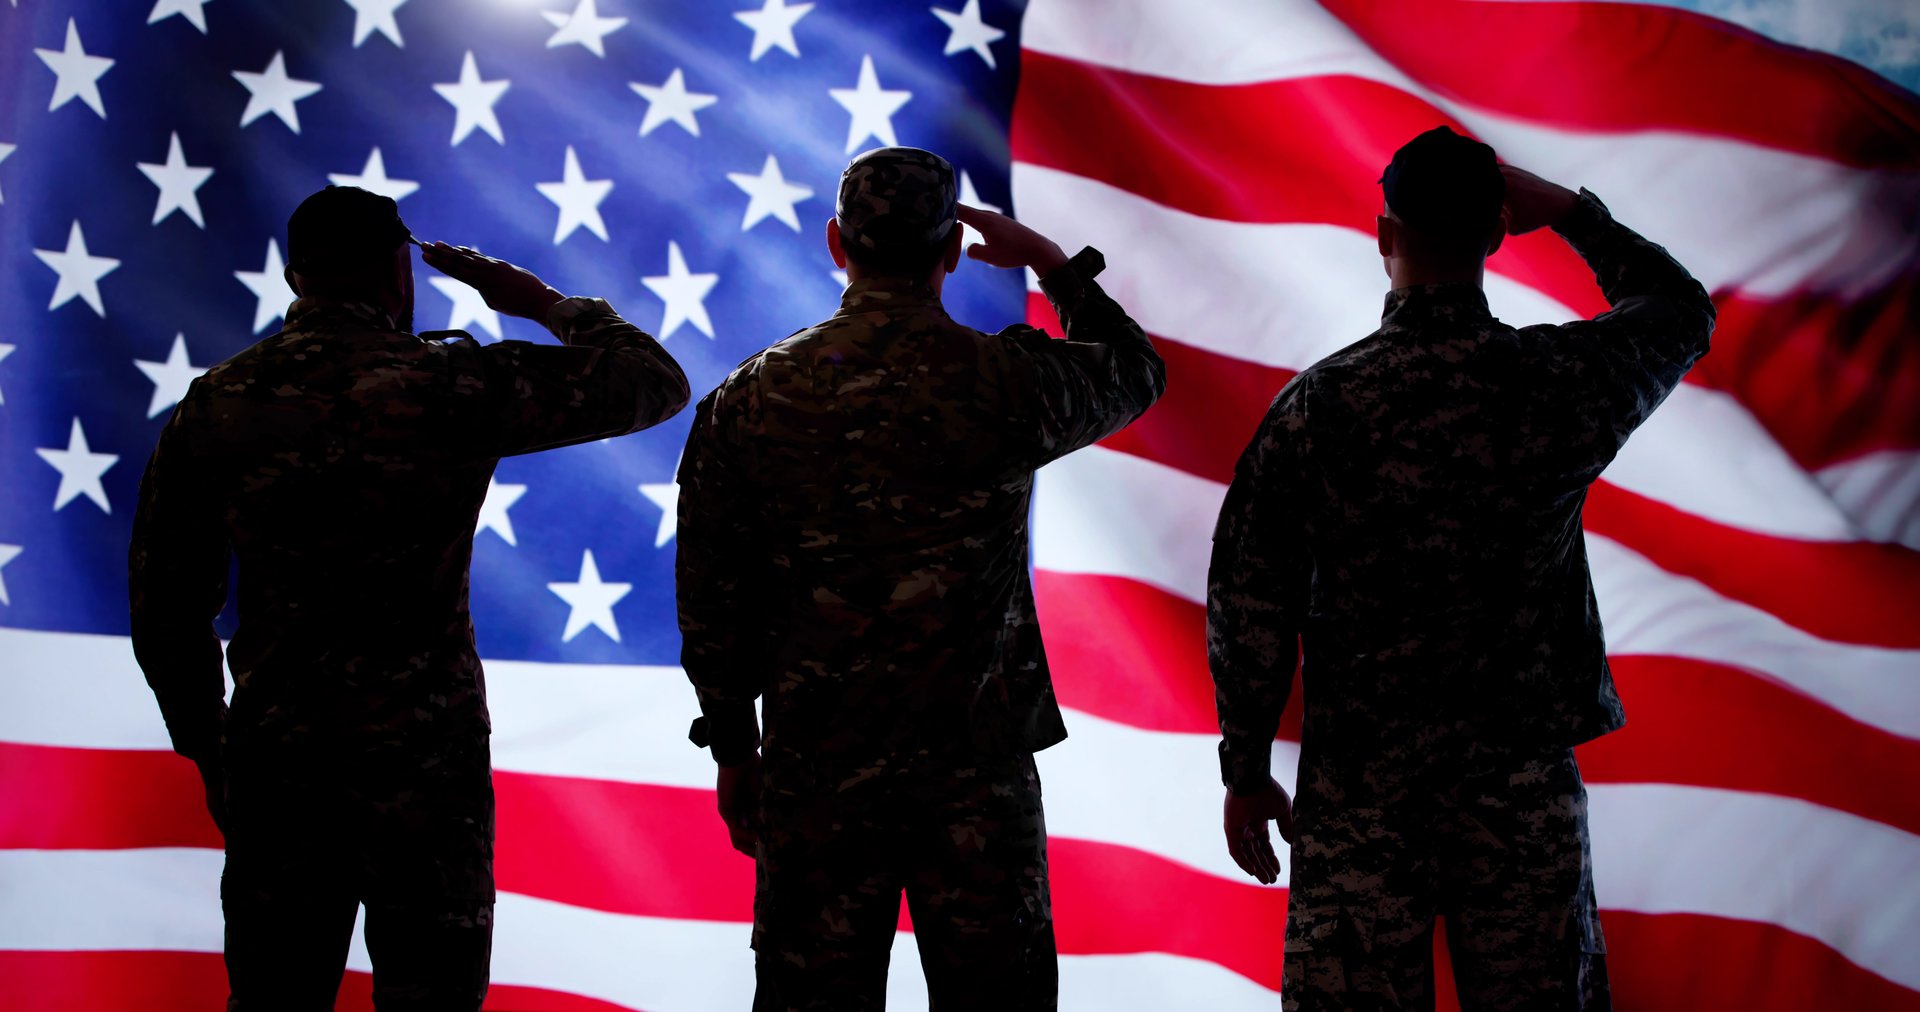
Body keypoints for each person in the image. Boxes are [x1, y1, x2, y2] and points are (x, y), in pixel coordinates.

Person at [128, 184, 690, 1011]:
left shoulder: (221, 401)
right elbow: (653, 380)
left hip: (280, 761)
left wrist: (211, 751)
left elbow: (166, 605)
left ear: (295, 278)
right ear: (401, 271)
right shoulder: (448, 382)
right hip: (426, 768)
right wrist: (542, 301)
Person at [1208, 126, 1714, 1010]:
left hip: (1363, 788)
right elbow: (1679, 311)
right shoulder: (1555, 383)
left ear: (1384, 234)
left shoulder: (1320, 405)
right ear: (1496, 234)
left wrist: (1246, 773)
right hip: (1519, 783)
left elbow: (1249, 601)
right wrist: (1575, 214)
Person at [675, 146, 1165, 1010]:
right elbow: (1134, 372)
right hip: (975, 778)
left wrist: (735, 746)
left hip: (817, 773)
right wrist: (1049, 262)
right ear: (950, 254)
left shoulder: (752, 397)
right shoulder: (1008, 381)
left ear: (837, 242)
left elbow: (710, 594)